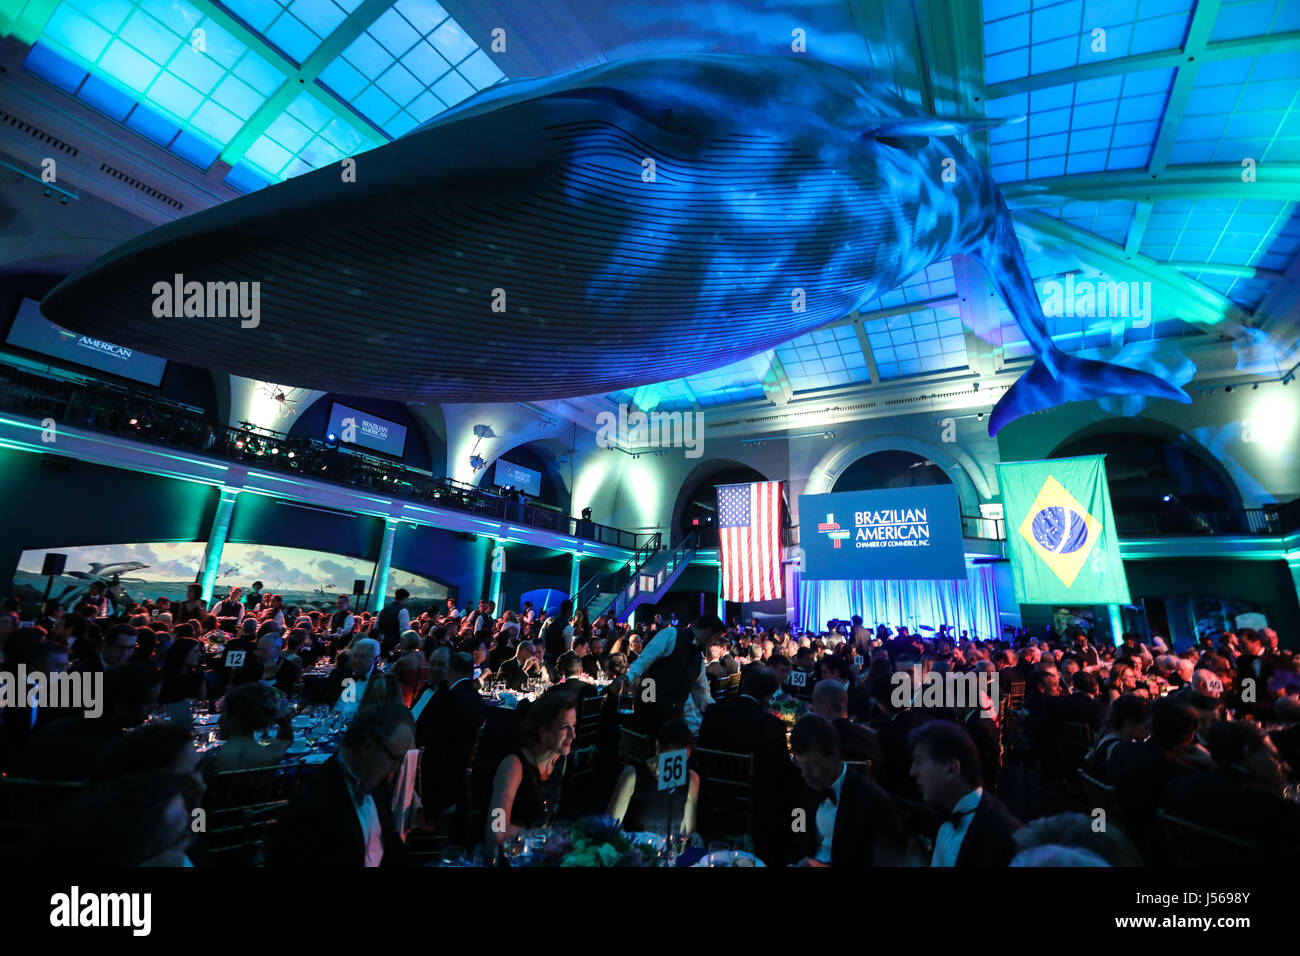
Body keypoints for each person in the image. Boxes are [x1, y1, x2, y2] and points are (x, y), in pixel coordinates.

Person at [267, 701, 415, 867]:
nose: (396, 768)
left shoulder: (375, 781)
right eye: (396, 759)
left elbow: (390, 845)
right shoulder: (311, 806)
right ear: (368, 747)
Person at [695, 664, 798, 864]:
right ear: (769, 695)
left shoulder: (714, 712)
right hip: (754, 807)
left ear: (743, 684)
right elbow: (783, 772)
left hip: (711, 796)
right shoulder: (773, 726)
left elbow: (702, 750)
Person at [789, 715, 903, 866]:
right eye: (800, 764)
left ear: (835, 755)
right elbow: (798, 836)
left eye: (812, 765)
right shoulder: (804, 790)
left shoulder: (873, 801)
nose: (805, 774)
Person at [909, 720, 1022, 867]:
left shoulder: (1003, 836)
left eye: (919, 761)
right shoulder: (943, 815)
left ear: (951, 768)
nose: (912, 772)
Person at [486, 688, 576, 844]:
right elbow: (496, 831)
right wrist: (541, 836)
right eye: (564, 727)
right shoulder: (513, 767)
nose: (573, 734)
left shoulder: (559, 760)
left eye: (573, 726)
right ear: (543, 732)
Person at [622, 614, 720, 736]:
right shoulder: (671, 634)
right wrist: (628, 678)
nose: (713, 644)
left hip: (672, 721)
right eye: (715, 640)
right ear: (708, 631)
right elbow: (643, 661)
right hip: (649, 711)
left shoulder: (699, 657)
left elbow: (702, 693)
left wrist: (717, 713)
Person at [415, 652, 485, 816]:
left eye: (441, 665)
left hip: (438, 778)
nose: (434, 669)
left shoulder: (450, 698)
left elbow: (436, 742)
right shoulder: (428, 689)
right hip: (444, 768)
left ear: (450, 670)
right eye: (432, 664)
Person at [607, 718, 698, 836]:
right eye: (671, 759)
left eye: (682, 760)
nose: (676, 766)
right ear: (658, 746)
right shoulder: (632, 776)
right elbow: (609, 828)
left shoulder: (691, 779)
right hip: (637, 850)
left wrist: (694, 837)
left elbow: (688, 832)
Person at [207, 683, 293, 771]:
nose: (219, 721)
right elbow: (285, 739)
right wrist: (284, 723)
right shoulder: (269, 755)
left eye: (223, 714)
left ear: (233, 717)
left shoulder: (211, 758)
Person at [810, 678, 883, 768]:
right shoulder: (869, 737)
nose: (812, 709)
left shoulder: (816, 742)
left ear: (827, 707)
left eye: (814, 703)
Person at [327, 637, 380, 719]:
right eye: (355, 656)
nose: (356, 660)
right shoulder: (340, 674)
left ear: (376, 659)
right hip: (331, 725)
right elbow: (323, 698)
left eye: (362, 657)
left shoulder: (381, 681)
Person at [390, 631, 429, 707]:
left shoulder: (403, 660)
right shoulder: (422, 655)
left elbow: (389, 677)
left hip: (404, 700)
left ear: (404, 642)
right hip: (418, 699)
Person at [376, 589, 412, 658]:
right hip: (396, 646)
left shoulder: (383, 610)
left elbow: (375, 627)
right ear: (405, 598)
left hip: (382, 645)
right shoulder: (403, 611)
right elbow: (404, 632)